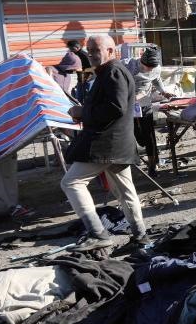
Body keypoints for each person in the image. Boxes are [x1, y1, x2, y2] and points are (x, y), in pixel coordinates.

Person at [60, 35, 151, 250]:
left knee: (71, 182)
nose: (91, 54)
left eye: (96, 50)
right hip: (117, 143)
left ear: (110, 51)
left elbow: (115, 107)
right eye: (89, 50)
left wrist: (83, 112)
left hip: (107, 144)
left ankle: (98, 234)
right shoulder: (108, 71)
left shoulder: (113, 72)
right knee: (124, 192)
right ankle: (141, 237)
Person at [124, 47, 172, 175]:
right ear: (142, 61)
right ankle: (135, 158)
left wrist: (163, 91)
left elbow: (156, 79)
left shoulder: (156, 69)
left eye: (152, 68)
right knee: (136, 134)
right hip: (129, 104)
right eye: (148, 67)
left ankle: (152, 165)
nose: (150, 70)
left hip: (145, 103)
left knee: (149, 135)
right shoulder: (128, 65)